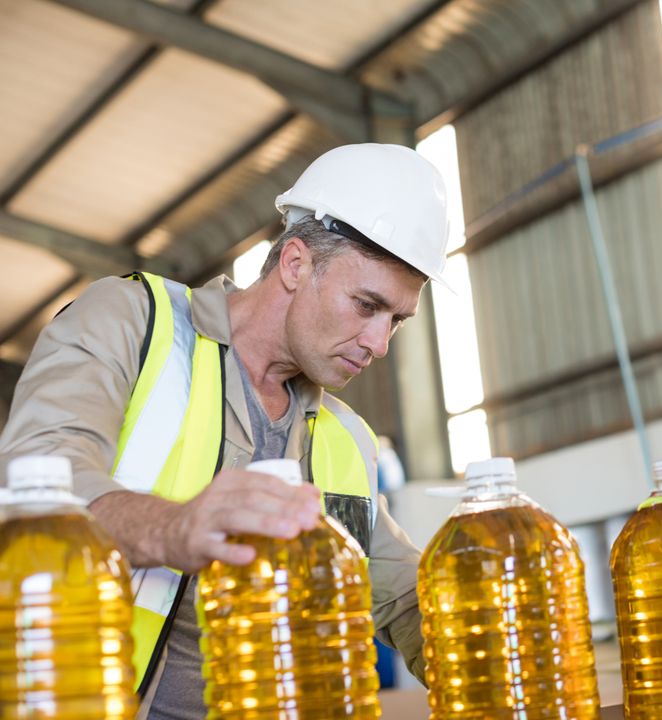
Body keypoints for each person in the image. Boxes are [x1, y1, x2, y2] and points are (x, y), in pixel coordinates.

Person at [0, 143, 450, 718]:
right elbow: (33, 492)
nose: (380, 344)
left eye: (398, 321)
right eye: (366, 305)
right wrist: (172, 528)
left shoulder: (345, 438)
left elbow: (399, 595)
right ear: (296, 264)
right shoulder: (133, 324)